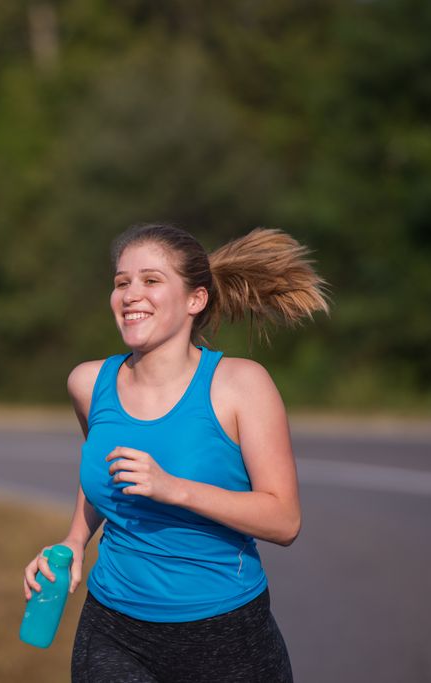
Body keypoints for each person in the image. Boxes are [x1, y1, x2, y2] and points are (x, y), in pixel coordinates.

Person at [23, 223, 328, 682]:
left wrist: (173, 488)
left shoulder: (241, 386)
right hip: (112, 630)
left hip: (225, 636)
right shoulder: (88, 384)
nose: (130, 294)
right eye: (122, 282)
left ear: (195, 300)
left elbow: (284, 521)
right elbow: (105, 477)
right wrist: (73, 541)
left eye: (150, 280)